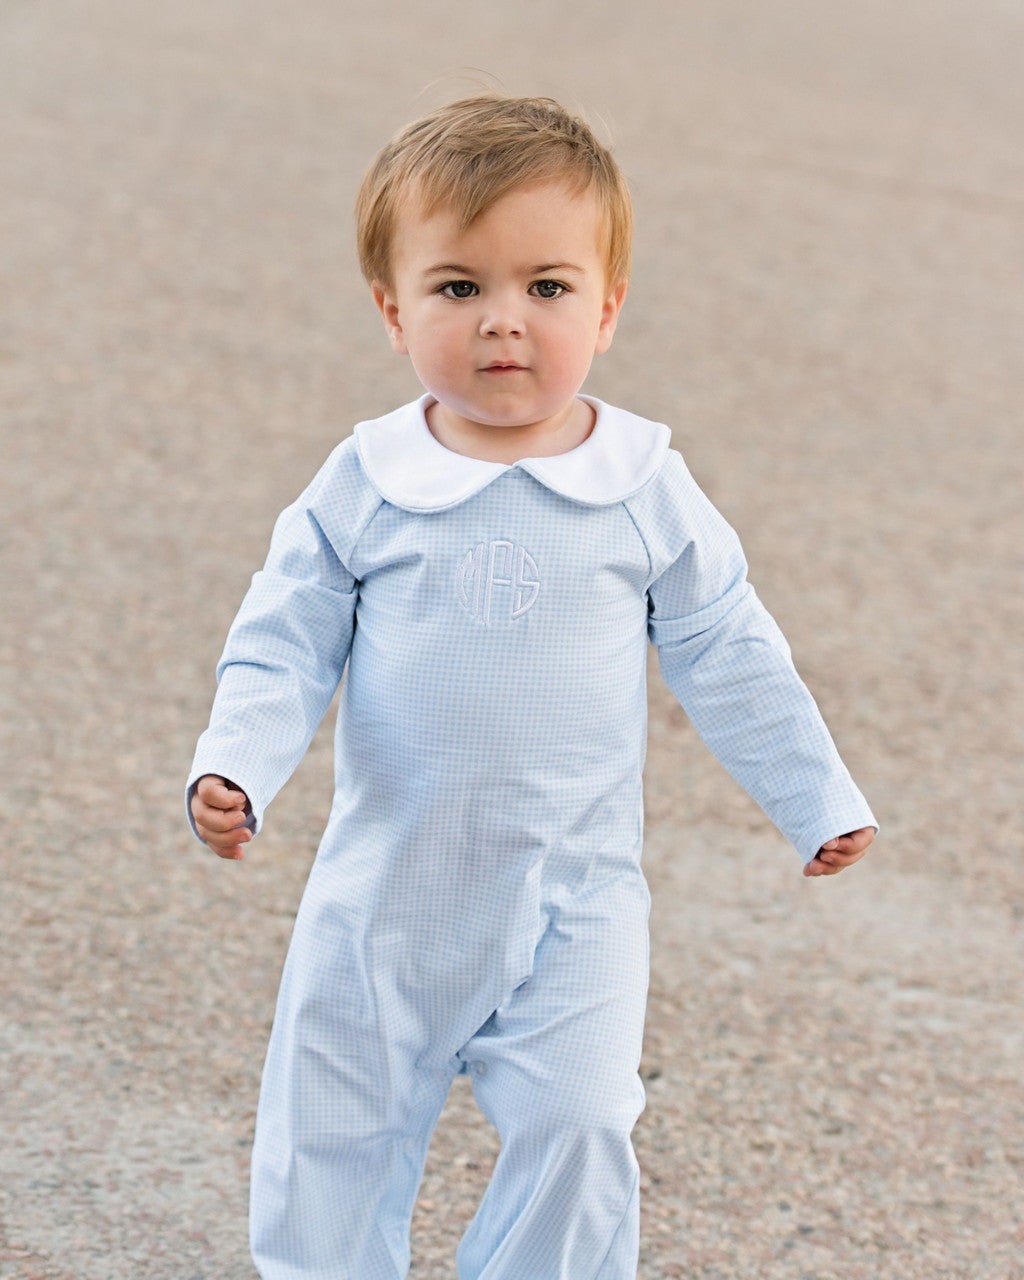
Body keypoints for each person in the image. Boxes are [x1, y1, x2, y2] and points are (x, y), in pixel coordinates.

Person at [187, 93, 876, 1280]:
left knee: (581, 1122)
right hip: (386, 898)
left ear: (606, 308)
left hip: (572, 898)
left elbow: (729, 648)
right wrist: (236, 758)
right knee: (332, 1137)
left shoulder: (642, 486)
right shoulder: (368, 482)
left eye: (546, 288)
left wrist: (816, 796)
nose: (505, 322)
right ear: (391, 308)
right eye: (459, 287)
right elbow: (284, 634)